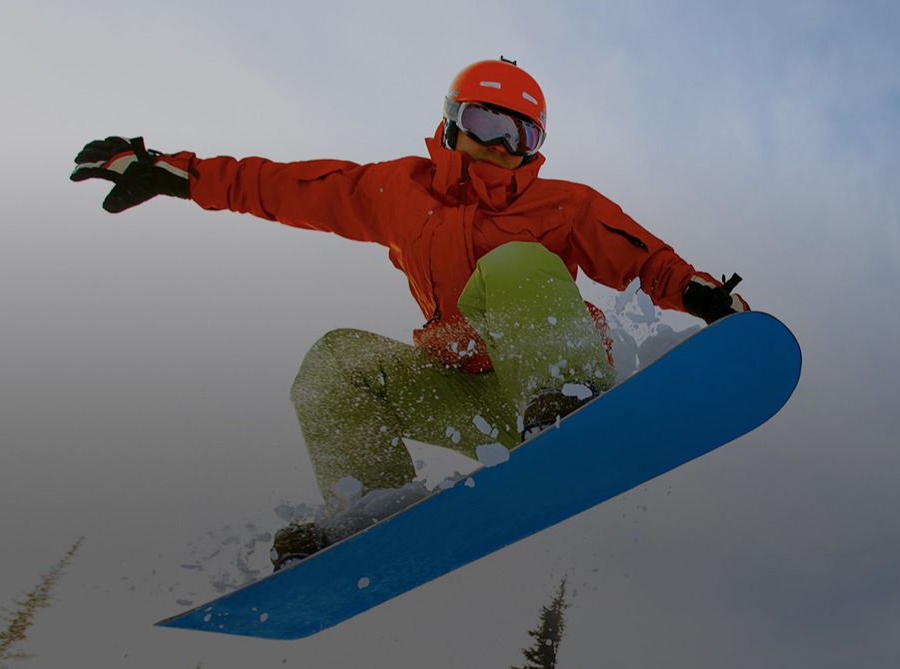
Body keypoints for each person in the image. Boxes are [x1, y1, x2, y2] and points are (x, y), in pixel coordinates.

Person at [71, 58, 747, 568]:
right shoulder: (399, 191)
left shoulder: (562, 203)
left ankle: (569, 402)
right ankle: (371, 507)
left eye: (521, 134)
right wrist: (172, 173)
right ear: (453, 121)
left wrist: (704, 296)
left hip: (553, 374)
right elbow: (290, 187)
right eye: (488, 124)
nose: (502, 147)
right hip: (476, 399)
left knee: (512, 265)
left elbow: (643, 259)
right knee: (336, 357)